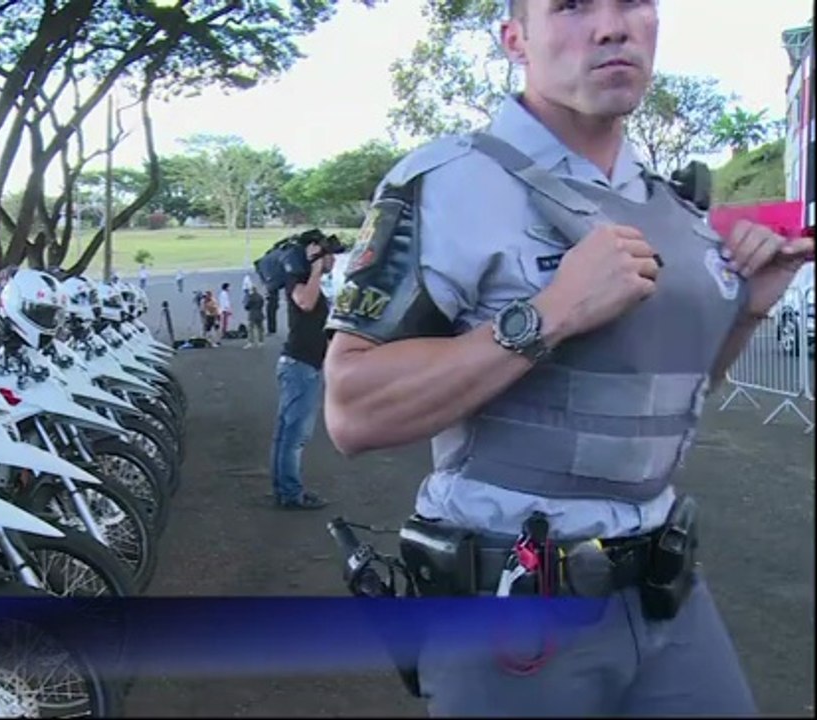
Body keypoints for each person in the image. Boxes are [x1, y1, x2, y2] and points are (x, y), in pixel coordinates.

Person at [323, 0, 812, 715]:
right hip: (514, 612)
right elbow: (351, 409)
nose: (611, 27)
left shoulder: (670, 210)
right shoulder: (449, 183)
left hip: (664, 591)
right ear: (514, 38)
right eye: (573, 5)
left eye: (633, 4)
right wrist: (550, 315)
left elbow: (667, 396)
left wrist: (750, 309)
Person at [270, 241, 335, 509]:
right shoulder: (297, 281)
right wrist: (317, 268)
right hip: (300, 367)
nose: (334, 260)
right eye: (329, 255)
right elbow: (306, 304)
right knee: (294, 436)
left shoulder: (309, 282)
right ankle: (291, 493)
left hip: (304, 366)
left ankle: (285, 489)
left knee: (286, 434)